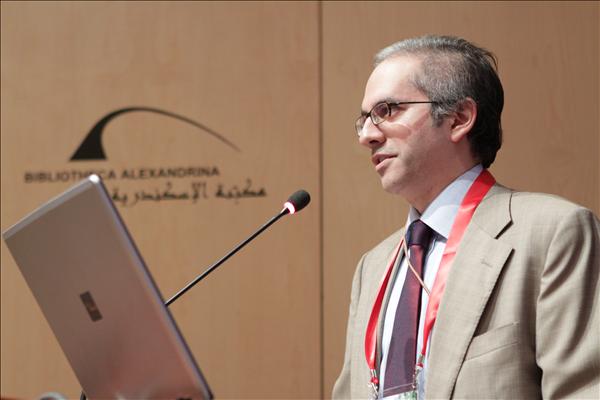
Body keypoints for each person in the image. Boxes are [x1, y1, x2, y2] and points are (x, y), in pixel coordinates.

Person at [332, 35, 600, 399]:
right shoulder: (372, 267)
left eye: (388, 110)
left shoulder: (553, 233)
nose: (367, 136)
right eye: (364, 119)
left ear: (459, 118)